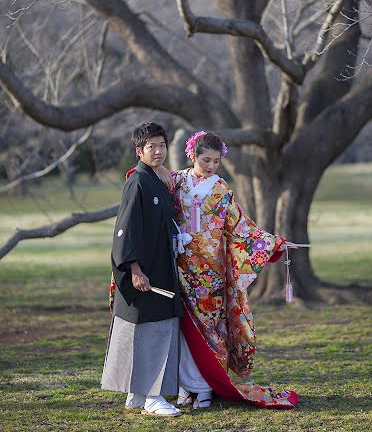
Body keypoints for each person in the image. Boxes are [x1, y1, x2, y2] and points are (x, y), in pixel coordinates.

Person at [159, 131, 299, 410]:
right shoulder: (176, 182)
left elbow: (242, 228)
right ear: (192, 155)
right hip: (181, 267)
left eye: (216, 161)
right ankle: (186, 386)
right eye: (205, 159)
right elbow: (148, 180)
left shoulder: (222, 190)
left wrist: (275, 244)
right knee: (184, 330)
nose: (210, 166)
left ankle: (206, 387)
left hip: (212, 271)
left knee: (213, 330)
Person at [101, 122, 183, 417]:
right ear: (139, 151)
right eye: (152, 147)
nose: (158, 151)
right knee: (152, 330)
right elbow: (127, 229)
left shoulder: (156, 179)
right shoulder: (137, 181)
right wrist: (135, 269)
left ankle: (137, 395)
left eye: (162, 146)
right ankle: (153, 397)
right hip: (145, 270)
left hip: (159, 264)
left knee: (149, 329)